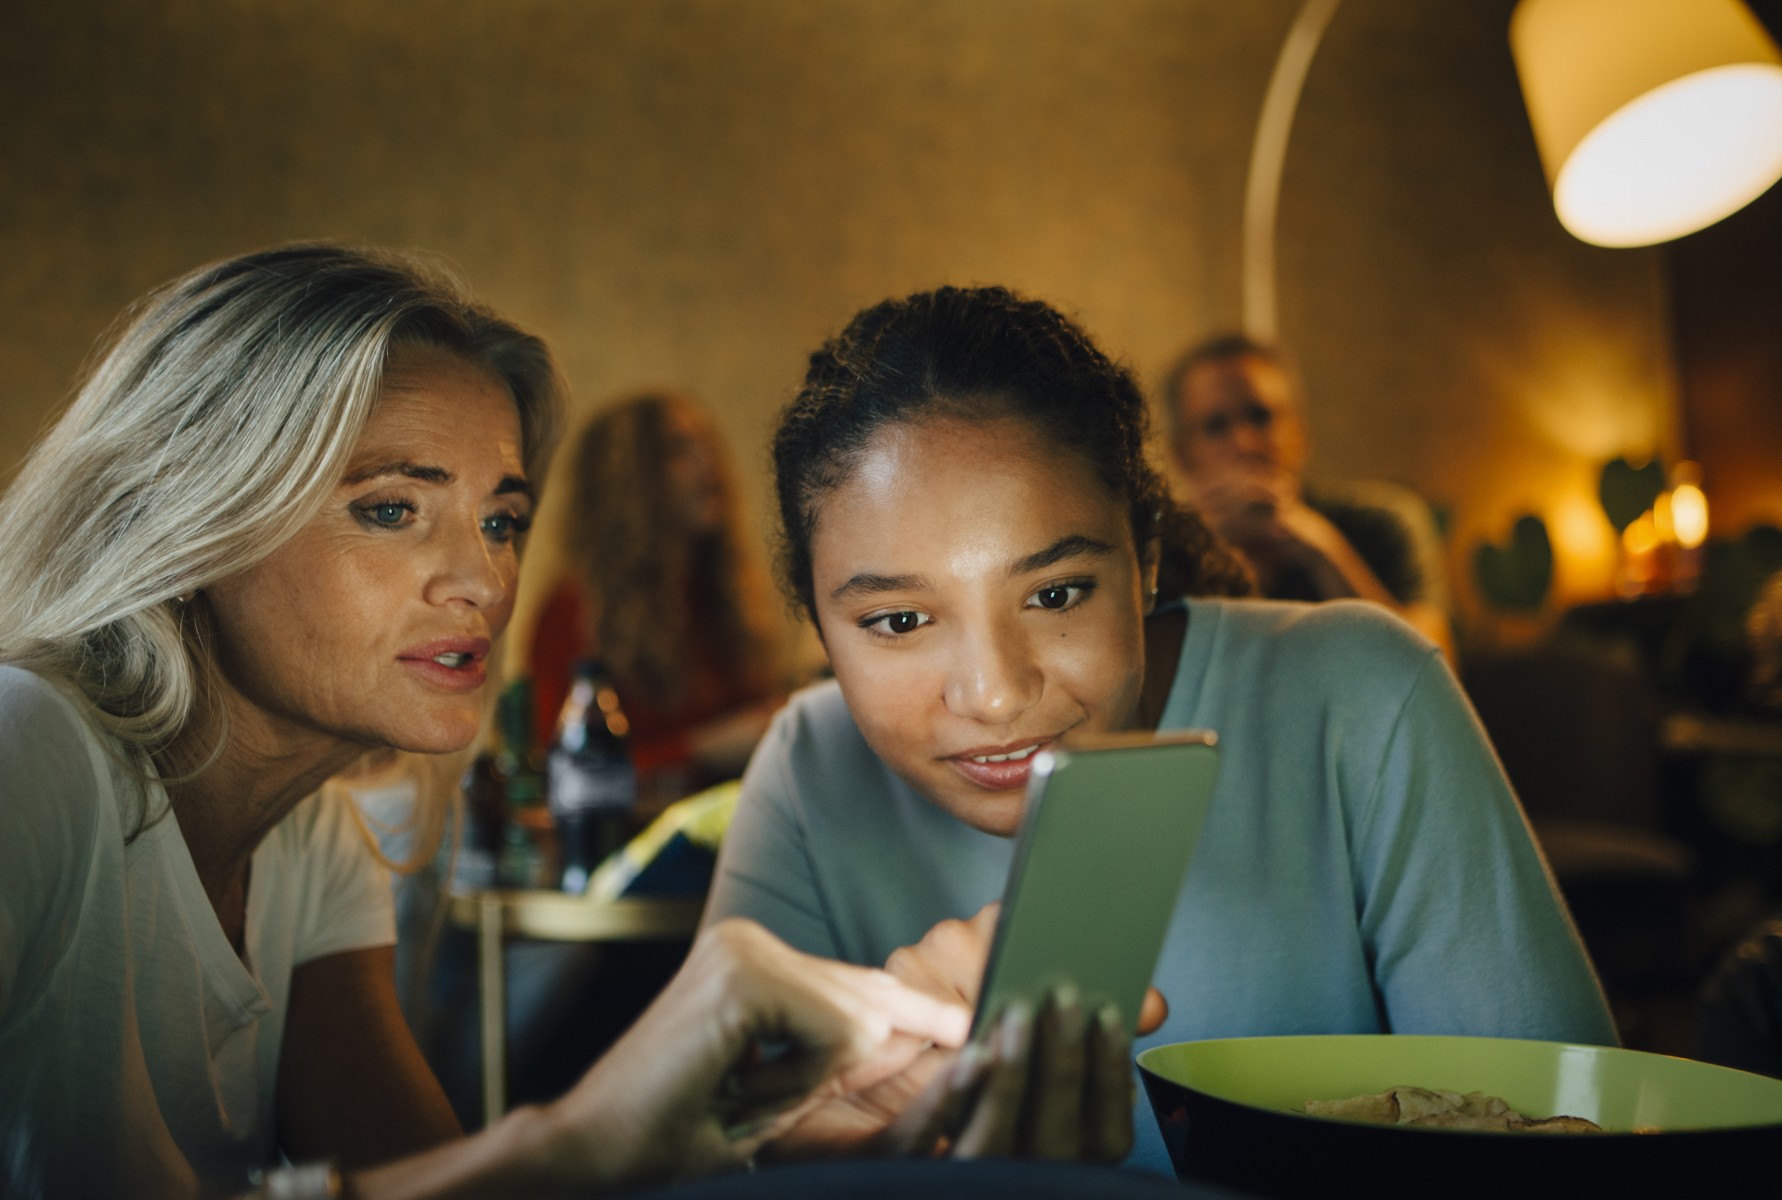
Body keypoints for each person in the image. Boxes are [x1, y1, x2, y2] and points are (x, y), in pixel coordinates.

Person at [0, 247, 1106, 1200]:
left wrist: (729, 1135)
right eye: (390, 510)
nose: (479, 579)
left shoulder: (315, 848)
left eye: (501, 519)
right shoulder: (18, 748)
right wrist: (577, 1134)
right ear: (191, 516)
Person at [703, 285, 1618, 1175]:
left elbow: (1570, 1147)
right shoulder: (805, 764)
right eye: (899, 621)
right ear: (819, 628)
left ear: (1142, 559)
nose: (992, 695)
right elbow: (717, 1151)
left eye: (1055, 594)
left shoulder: (1362, 694)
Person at [530, 391, 786, 790]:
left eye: (707, 445)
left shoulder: (720, 598)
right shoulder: (574, 611)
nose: (708, 464)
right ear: (629, 480)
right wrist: (700, 750)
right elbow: (565, 778)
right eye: (677, 450)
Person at [1161, 334, 1455, 659]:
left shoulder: (1384, 522)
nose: (1244, 443)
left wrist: (1323, 551)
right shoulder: (1156, 556)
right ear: (1182, 456)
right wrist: (1198, 551)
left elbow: (1438, 672)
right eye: (1216, 426)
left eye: (1260, 416)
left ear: (1301, 432)